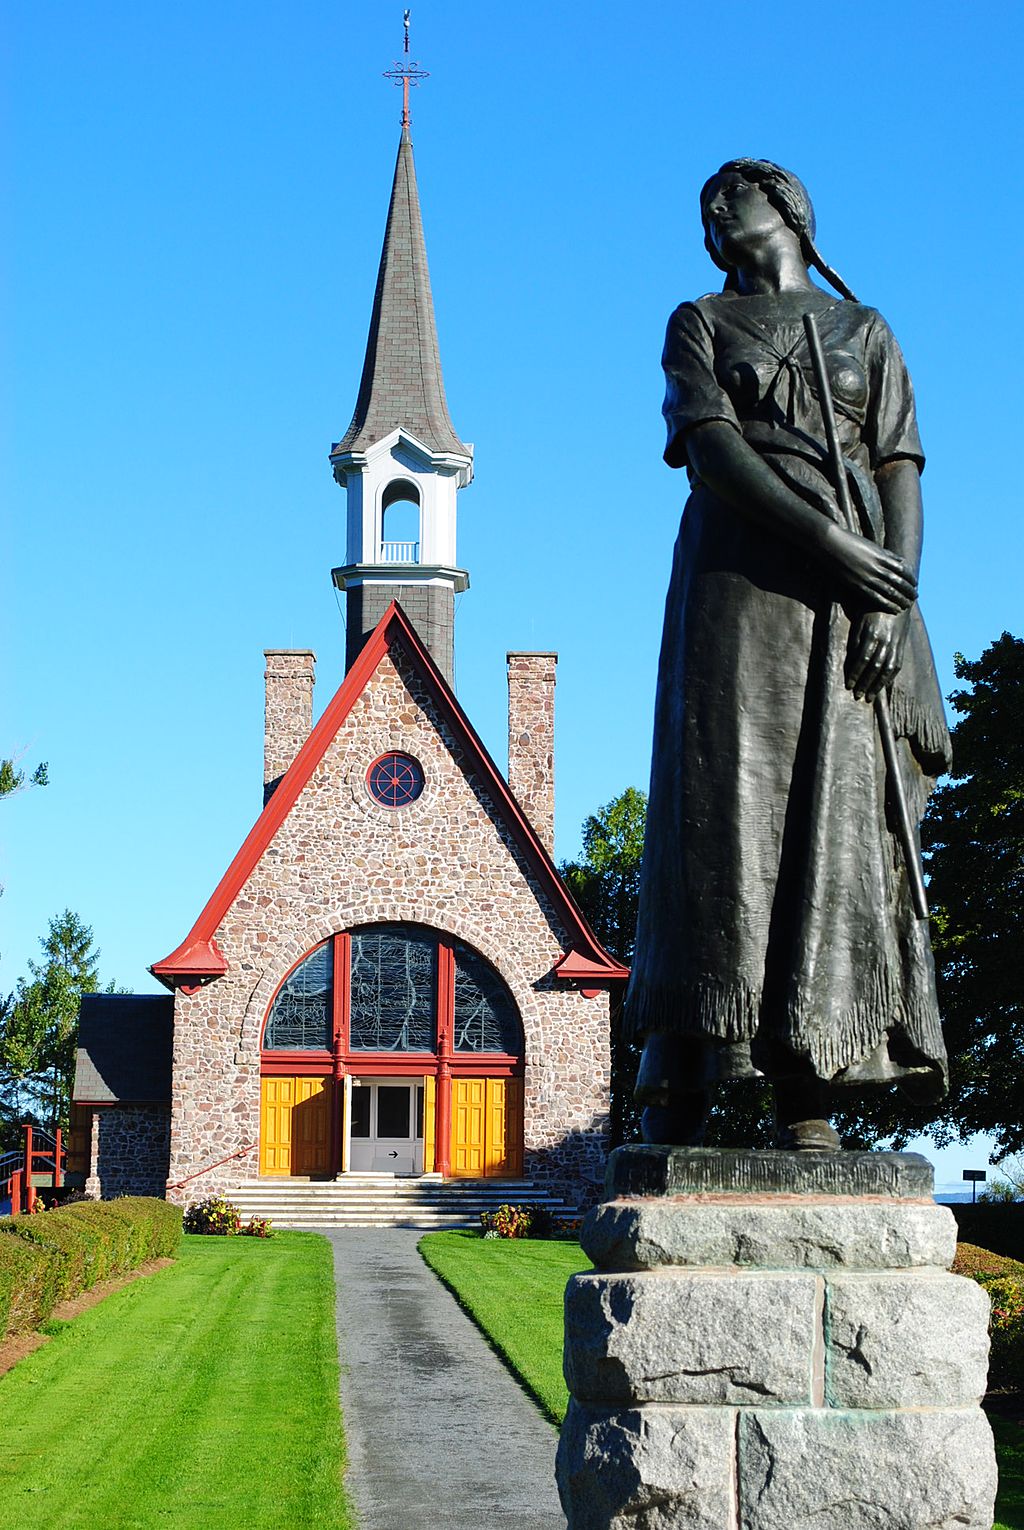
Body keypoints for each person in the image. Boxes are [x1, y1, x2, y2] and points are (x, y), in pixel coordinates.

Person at [623, 159, 951, 1151]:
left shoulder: (866, 332)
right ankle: (685, 1071)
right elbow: (713, 448)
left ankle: (807, 1086)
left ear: (788, 210)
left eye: (736, 198)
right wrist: (828, 543)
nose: (718, 216)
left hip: (849, 607)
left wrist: (892, 590)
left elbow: (898, 463)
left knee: (833, 819)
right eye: (708, 209)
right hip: (739, 591)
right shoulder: (699, 323)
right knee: (721, 819)